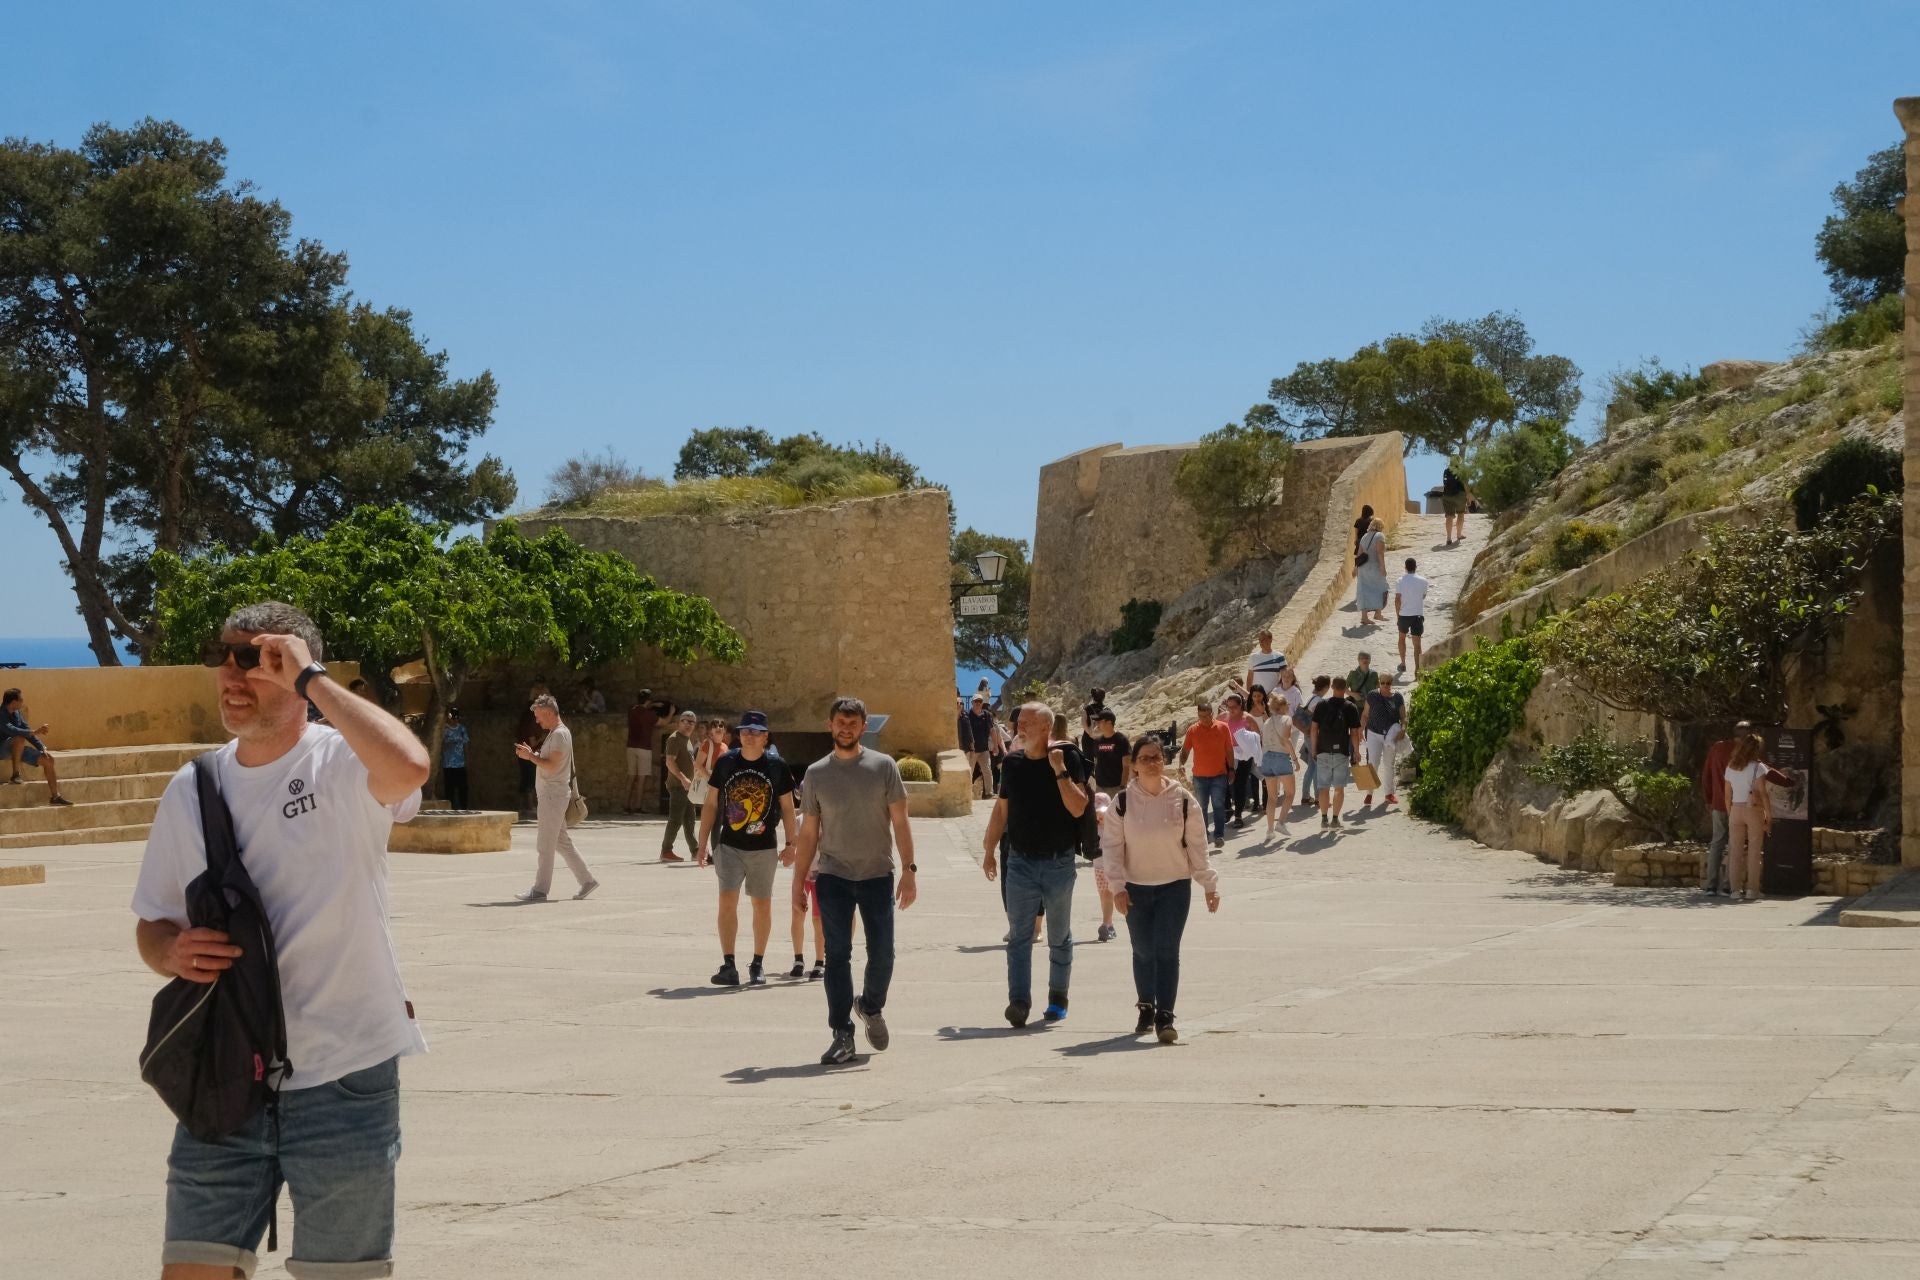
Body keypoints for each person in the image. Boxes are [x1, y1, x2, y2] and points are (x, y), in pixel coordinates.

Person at [132, 601, 431, 1280]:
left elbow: (410, 768)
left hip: (346, 1078)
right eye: (225, 658)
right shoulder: (192, 789)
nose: (233, 675)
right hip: (225, 1074)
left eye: (258, 661)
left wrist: (311, 680)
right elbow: (153, 923)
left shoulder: (342, 764)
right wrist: (171, 953)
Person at [790, 697, 915, 1065]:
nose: (846, 728)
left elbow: (902, 822)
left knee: (883, 954)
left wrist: (909, 870)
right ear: (830, 725)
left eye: (853, 722)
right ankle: (842, 1032)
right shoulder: (815, 774)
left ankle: (870, 1006)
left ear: (864, 727)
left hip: (877, 873)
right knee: (837, 956)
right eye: (840, 722)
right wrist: (798, 881)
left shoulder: (883, 767)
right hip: (833, 876)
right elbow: (809, 832)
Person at [1101, 736, 1219, 1043]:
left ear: (1163, 761)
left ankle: (1165, 1016)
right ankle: (1146, 1005)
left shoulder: (1182, 799)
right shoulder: (1122, 803)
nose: (1152, 763)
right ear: (1134, 764)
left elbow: (1197, 844)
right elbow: (1112, 847)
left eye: (1156, 757)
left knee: (1167, 951)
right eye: (1145, 758)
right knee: (1142, 952)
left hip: (1174, 886)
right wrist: (1117, 887)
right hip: (1135, 888)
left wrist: (1208, 884)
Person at [982, 702, 1090, 1026]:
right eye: (1019, 722)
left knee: (1059, 936)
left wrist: (1059, 770)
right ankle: (1019, 1002)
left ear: (1046, 727)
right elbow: (1001, 810)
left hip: (1059, 863)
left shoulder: (1068, 757)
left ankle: (1057, 999)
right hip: (1020, 863)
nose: (1020, 726)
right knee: (1019, 936)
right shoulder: (1012, 763)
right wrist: (988, 849)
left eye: (1028, 722)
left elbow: (1078, 807)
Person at [696, 712, 798, 987]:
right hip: (729, 845)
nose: (748, 735)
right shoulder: (727, 762)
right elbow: (711, 803)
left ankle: (757, 963)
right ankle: (728, 964)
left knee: (761, 904)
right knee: (727, 901)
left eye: (755, 731)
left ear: (765, 736)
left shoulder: (776, 766)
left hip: (764, 848)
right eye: (744, 731)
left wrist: (791, 844)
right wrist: (702, 841)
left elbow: (788, 808)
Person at [514, 695, 598, 902]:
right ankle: (587, 881)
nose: (536, 721)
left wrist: (530, 757)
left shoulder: (559, 734)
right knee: (561, 842)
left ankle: (540, 890)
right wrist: (532, 754)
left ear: (550, 713)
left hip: (553, 796)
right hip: (552, 795)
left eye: (539, 716)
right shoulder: (556, 733)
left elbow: (551, 766)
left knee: (545, 845)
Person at [1087, 709, 1132, 942]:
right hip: (1102, 788)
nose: (1097, 725)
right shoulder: (1098, 742)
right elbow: (1095, 764)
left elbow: (1126, 764)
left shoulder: (1121, 740)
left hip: (1117, 787)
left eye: (1100, 722)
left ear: (1109, 722)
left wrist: (1124, 787)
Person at [1176, 701, 1234, 850]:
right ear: (1198, 715)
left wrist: (1232, 769)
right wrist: (1181, 764)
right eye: (1201, 716)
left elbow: (1229, 750)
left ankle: (1219, 835)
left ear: (1212, 714)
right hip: (1199, 776)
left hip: (1219, 774)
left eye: (1207, 716)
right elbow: (1185, 750)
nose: (1204, 719)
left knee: (1218, 805)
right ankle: (1204, 835)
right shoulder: (1192, 730)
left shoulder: (1223, 728)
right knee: (1201, 807)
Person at [1724, 732, 1774, 901]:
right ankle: (1753, 890)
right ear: (1757, 749)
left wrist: (1731, 813)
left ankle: (1735, 890)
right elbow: (1763, 794)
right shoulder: (1758, 768)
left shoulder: (1731, 766)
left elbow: (1727, 795)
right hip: (1753, 809)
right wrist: (1769, 816)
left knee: (1735, 851)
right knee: (1754, 851)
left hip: (1735, 810)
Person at [1310, 675, 1363, 829]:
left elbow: (1314, 729)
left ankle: (1324, 819)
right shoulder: (1350, 707)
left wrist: (1314, 749)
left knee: (1323, 787)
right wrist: (1356, 752)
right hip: (1341, 751)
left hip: (1323, 750)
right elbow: (1354, 733)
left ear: (1332, 687)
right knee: (1339, 788)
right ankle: (1335, 820)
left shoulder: (1322, 705)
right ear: (1345, 689)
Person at [1, 688, 70, 804]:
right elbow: (12, 730)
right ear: (14, 702)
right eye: (21, 699)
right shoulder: (1, 714)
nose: (22, 702)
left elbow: (26, 730)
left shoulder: (17, 713)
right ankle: (15, 775)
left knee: (48, 760)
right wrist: (35, 731)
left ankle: (55, 797)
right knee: (19, 738)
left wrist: (42, 748)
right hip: (2, 749)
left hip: (17, 748)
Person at [1254, 684, 1296, 836]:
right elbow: (1286, 739)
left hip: (1267, 758)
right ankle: (1281, 822)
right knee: (1290, 793)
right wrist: (1295, 759)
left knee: (1271, 797)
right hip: (1281, 757)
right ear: (1284, 707)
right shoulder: (1286, 719)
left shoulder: (1266, 722)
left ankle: (1270, 829)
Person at [1360, 673, 1406, 807]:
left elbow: (1404, 717)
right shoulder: (1372, 695)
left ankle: (1389, 794)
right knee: (1372, 763)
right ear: (1379, 683)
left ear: (1392, 684)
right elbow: (1365, 715)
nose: (1385, 685)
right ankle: (1369, 793)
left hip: (1390, 735)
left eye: (1388, 683)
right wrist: (1360, 731)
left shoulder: (1397, 697)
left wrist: (1403, 729)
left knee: (1389, 764)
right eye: (1383, 683)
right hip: (1373, 733)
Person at [659, 710, 699, 863]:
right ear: (679, 722)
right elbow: (670, 762)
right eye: (685, 720)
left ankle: (695, 851)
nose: (688, 724)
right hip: (678, 786)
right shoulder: (675, 739)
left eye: (692, 722)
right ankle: (666, 850)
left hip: (687, 787)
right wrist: (683, 779)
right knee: (675, 819)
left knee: (690, 820)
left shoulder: (687, 740)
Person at [513, 681, 550, 818]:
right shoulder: (530, 714)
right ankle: (529, 807)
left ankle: (528, 806)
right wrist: (542, 738)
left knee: (530, 778)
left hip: (529, 749)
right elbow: (531, 735)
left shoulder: (530, 712)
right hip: (528, 749)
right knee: (529, 778)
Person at [1293, 675, 1329, 810]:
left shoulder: (1311, 697)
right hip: (1314, 736)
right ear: (1326, 687)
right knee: (1318, 766)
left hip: (1307, 735)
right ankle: (1319, 798)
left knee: (1312, 767)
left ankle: (1305, 796)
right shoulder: (1319, 701)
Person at [1226, 694, 1261, 830]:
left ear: (1240, 705)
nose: (1231, 710)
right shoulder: (1224, 717)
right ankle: (1228, 808)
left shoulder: (1248, 718)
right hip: (1228, 754)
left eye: (1234, 707)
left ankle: (1238, 816)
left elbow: (1258, 737)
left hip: (1244, 756)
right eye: (1229, 707)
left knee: (1240, 784)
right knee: (1226, 782)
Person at [625, 689, 662, 814]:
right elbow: (663, 722)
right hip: (644, 748)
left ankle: (626, 806)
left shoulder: (632, 710)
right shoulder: (649, 715)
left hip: (631, 747)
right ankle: (637, 807)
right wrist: (671, 712)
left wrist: (650, 705)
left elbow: (640, 708)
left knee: (631, 777)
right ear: (649, 700)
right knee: (641, 779)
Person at [961, 694, 996, 800]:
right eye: (976, 701)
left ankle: (989, 792)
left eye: (980, 701)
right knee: (969, 771)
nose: (978, 703)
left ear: (982, 703)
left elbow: (992, 730)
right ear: (972, 703)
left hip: (984, 749)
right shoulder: (967, 715)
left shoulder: (987, 715)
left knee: (987, 770)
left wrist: (995, 745)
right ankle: (967, 793)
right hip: (972, 750)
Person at [1355, 516, 1389, 625]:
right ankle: (1378, 613)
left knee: (1364, 590)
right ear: (1380, 526)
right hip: (1374, 567)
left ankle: (1364, 617)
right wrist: (1383, 567)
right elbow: (1380, 553)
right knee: (1381, 588)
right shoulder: (1379, 536)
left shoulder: (1365, 536)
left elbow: (1359, 554)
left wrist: (1355, 568)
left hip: (1363, 568)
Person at [441, 706, 470, 809]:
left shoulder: (462, 729)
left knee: (463, 787)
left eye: (456, 717)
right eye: (453, 717)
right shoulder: (444, 729)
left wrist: (467, 761)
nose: (454, 719)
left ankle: (464, 807)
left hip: (460, 764)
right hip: (448, 764)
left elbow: (466, 745)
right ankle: (451, 808)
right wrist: (447, 745)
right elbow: (441, 745)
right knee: (449, 788)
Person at [1245, 629, 1287, 700]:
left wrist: (1276, 691)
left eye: (1263, 639)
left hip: (1273, 697)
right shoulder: (1253, 657)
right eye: (1260, 640)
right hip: (1257, 697)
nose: (1261, 642)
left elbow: (1285, 677)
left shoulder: (1279, 657)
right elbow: (1249, 678)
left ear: (1270, 640)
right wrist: (1249, 695)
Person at [1441, 466, 1471, 546]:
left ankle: (1448, 538)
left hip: (1447, 495)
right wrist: (1467, 496)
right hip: (1460, 495)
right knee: (1460, 514)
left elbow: (1445, 484)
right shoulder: (1462, 470)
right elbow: (1465, 484)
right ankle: (1458, 535)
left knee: (1449, 516)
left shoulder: (1446, 470)